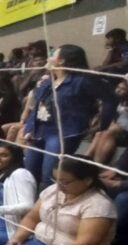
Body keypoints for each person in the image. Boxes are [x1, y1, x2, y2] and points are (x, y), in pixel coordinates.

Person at [23, 45, 117, 189]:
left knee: (49, 176)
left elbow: (110, 99)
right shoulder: (48, 82)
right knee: (29, 173)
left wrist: (103, 126)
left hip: (63, 133)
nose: (49, 58)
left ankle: (48, 202)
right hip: (39, 132)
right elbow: (38, 106)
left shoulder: (82, 80)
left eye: (53, 55)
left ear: (62, 60)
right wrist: (30, 128)